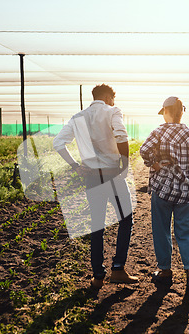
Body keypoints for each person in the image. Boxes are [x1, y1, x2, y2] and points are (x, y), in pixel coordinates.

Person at [53, 84, 139, 289]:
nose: (113, 102)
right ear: (109, 97)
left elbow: (58, 143)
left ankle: (98, 276)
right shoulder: (112, 111)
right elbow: (121, 135)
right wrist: (125, 165)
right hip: (112, 174)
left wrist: (75, 166)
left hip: (92, 177)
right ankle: (118, 268)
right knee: (126, 219)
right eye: (113, 99)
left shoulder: (78, 117)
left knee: (97, 224)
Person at [139, 96, 189, 291]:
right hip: (187, 192)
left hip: (162, 190)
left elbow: (144, 151)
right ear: (182, 112)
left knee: (162, 230)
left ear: (165, 112)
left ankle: (165, 272)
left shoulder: (158, 132)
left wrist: (154, 164)